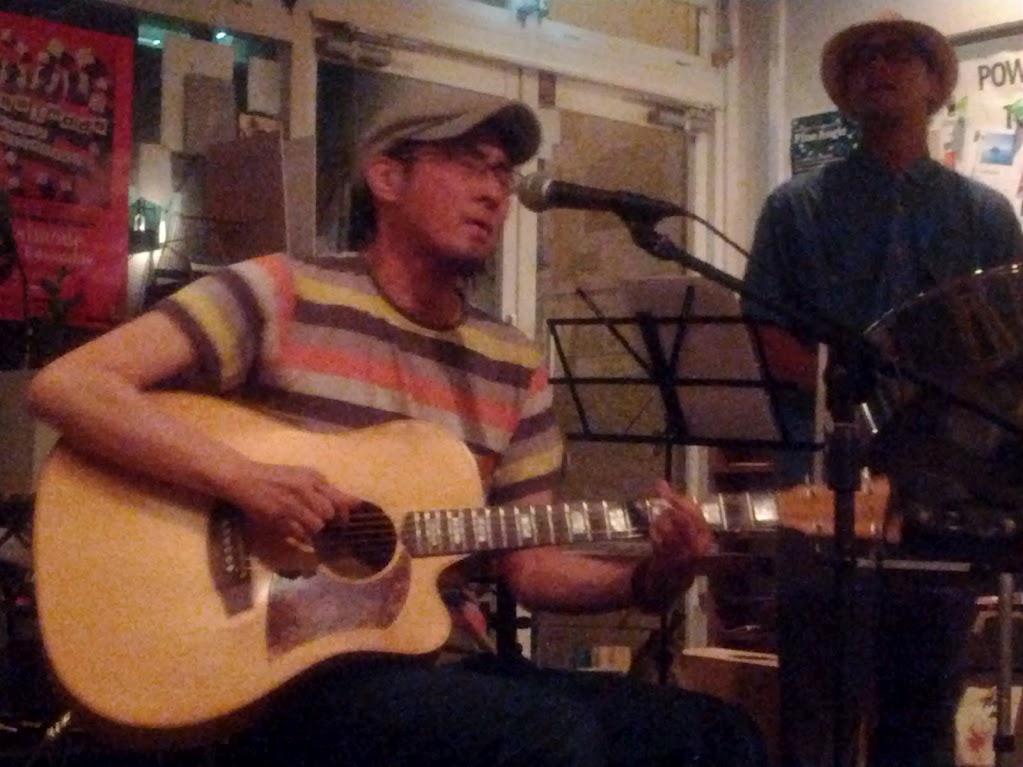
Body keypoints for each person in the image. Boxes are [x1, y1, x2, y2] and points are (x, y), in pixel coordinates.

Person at [28, 92, 768, 766]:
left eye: (503, 173)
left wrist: (650, 577)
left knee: (714, 734)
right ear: (387, 177)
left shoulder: (512, 362)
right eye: (469, 163)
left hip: (437, 664)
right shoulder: (282, 291)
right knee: (545, 738)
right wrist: (247, 482)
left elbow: (532, 565)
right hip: (278, 667)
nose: (494, 191)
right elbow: (70, 385)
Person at [742, 14, 1023, 767]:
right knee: (814, 708)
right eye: (863, 58)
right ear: (844, 91)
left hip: (942, 498)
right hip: (820, 483)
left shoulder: (985, 215)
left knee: (922, 712)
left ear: (934, 85)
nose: (879, 67)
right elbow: (766, 330)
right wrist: (851, 412)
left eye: (899, 55)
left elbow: (1010, 354)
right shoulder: (795, 206)